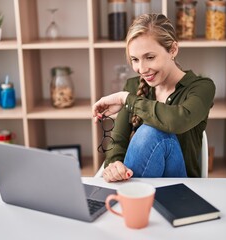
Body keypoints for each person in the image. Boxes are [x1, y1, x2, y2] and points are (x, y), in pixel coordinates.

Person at [92, 13, 215, 182]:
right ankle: (130, 200)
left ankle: (126, 202)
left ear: (173, 50)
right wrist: (114, 165)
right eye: (135, 59)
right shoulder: (133, 87)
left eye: (150, 57)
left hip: (180, 189)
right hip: (142, 181)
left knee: (153, 131)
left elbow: (177, 121)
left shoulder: (202, 87)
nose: (141, 69)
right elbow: (118, 141)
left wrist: (127, 99)